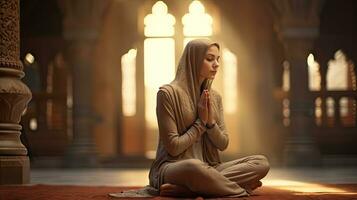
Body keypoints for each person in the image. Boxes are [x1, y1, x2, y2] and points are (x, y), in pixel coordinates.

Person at [148, 39, 270, 198]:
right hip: (174, 167)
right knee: (194, 167)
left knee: (261, 163)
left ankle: (188, 190)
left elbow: (223, 143)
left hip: (210, 167)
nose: (216, 64)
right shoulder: (167, 94)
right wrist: (201, 123)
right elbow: (173, 147)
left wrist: (211, 124)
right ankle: (238, 189)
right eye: (210, 59)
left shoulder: (215, 97)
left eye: (218, 59)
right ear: (194, 60)